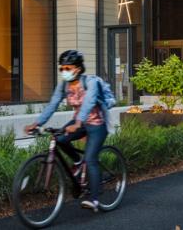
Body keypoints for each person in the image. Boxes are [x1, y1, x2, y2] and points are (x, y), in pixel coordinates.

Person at [25, 50, 116, 212]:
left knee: (91, 159)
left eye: (68, 68)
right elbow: (52, 105)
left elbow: (89, 103)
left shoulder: (90, 83)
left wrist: (78, 122)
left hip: (97, 124)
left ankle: (94, 200)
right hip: (79, 122)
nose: (64, 71)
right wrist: (37, 123)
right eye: (62, 68)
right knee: (59, 140)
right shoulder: (64, 85)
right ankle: (77, 161)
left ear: (78, 68)